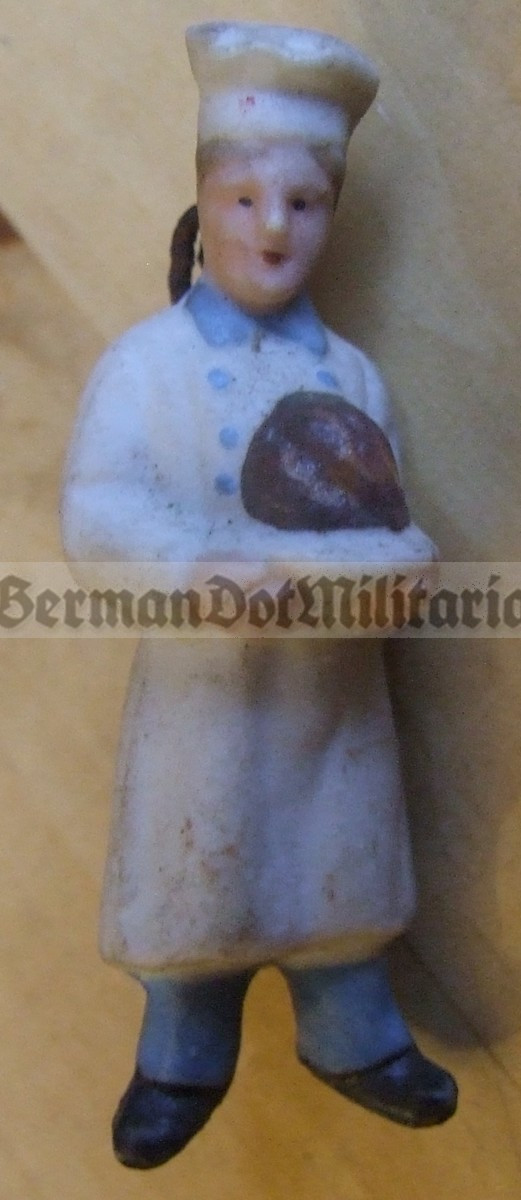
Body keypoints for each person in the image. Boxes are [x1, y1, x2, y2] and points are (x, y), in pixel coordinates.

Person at [62, 22, 457, 1170]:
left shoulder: (352, 376)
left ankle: (351, 1028)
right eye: (243, 201)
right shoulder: (147, 366)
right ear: (202, 205)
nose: (273, 228)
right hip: (206, 693)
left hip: (328, 694)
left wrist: (393, 570)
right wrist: (197, 571)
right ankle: (182, 1048)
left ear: (331, 215)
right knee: (199, 864)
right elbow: (97, 506)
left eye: (303, 203)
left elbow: (385, 509)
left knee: (334, 853)